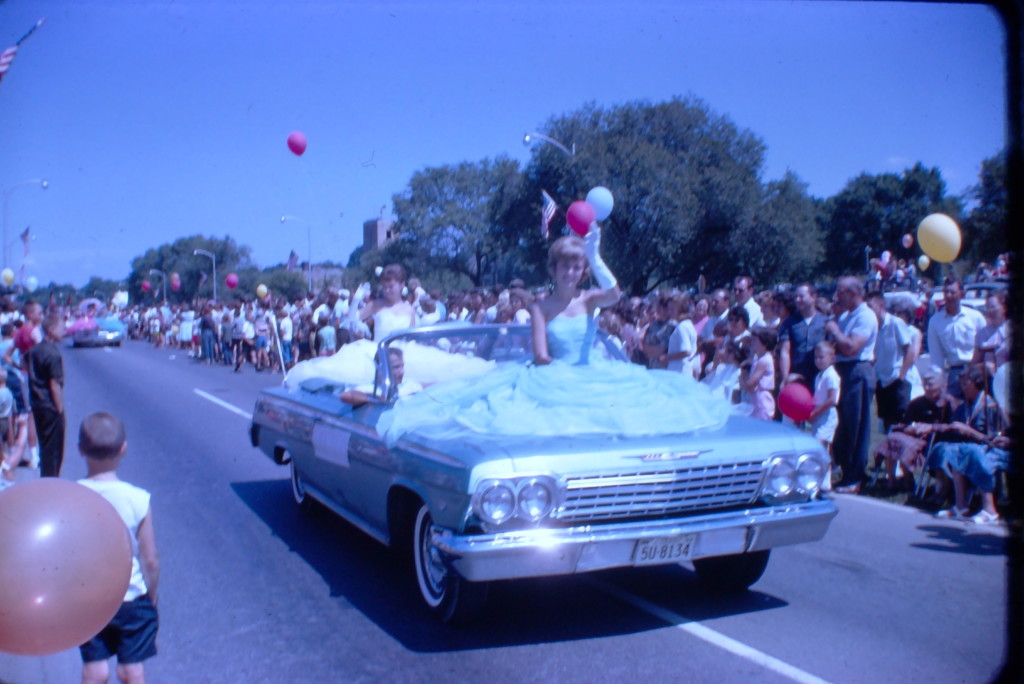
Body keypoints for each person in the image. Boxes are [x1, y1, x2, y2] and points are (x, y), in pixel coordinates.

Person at [377, 227, 730, 445]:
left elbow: (615, 294)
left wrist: (596, 257)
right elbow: (541, 355)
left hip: (596, 374)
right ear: (554, 268)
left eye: (577, 266)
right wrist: (565, 379)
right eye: (565, 266)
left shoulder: (589, 299)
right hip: (551, 377)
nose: (571, 272)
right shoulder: (540, 308)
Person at [77, 412, 160, 684]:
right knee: (131, 670)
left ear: (80, 450)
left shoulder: (72, 495)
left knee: (95, 670)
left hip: (89, 600)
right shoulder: (138, 499)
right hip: (131, 597)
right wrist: (152, 597)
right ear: (123, 448)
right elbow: (150, 559)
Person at [930, 365, 1007, 523]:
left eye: (966, 384)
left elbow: (994, 440)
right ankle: (960, 506)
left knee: (971, 453)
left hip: (989, 450)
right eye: (961, 384)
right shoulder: (964, 406)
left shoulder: (989, 406)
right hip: (969, 448)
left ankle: (989, 510)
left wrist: (969, 431)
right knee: (950, 451)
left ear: (977, 383)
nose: (963, 388)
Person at [824, 276, 878, 493]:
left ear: (854, 293)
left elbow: (851, 347)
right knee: (843, 425)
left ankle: (856, 476)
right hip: (842, 370)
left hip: (857, 370)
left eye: (841, 292)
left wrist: (835, 330)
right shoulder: (846, 316)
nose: (837, 297)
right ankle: (846, 472)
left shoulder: (865, 316)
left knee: (857, 424)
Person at [874, 368, 955, 492]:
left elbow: (953, 427)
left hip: (935, 440)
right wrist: (908, 429)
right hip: (916, 436)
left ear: (942, 386)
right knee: (893, 438)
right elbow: (904, 422)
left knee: (906, 445)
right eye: (924, 384)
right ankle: (892, 481)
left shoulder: (949, 403)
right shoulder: (918, 403)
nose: (927, 388)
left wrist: (932, 428)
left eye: (930, 385)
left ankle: (908, 481)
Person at [927, 277, 986, 399]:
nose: (949, 296)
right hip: (954, 374)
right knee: (954, 408)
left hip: (975, 370)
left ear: (961, 294)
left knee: (979, 407)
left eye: (953, 292)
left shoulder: (975, 317)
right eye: (946, 292)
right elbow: (936, 358)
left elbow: (985, 346)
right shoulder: (935, 322)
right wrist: (940, 382)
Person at [866, 291, 914, 433]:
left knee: (901, 423)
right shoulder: (871, 327)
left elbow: (909, 351)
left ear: (881, 306)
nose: (868, 311)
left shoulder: (895, 323)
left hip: (897, 381)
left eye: (870, 307)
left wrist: (901, 375)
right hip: (881, 382)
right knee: (887, 424)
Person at [27, 313, 65, 477]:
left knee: (44, 446)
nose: (64, 331)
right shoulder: (53, 353)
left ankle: (46, 478)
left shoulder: (35, 350)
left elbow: (23, 362)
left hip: (37, 403)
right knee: (54, 451)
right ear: (51, 330)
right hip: (50, 405)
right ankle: (51, 482)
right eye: (61, 328)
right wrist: (59, 408)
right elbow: (54, 384)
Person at [778, 283, 827, 391]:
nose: (797, 300)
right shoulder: (789, 323)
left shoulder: (825, 321)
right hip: (797, 375)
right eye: (796, 297)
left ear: (813, 297)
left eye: (801, 296)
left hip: (820, 375)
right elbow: (785, 351)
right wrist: (785, 378)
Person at [340, 348, 422, 407]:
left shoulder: (409, 385)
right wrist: (378, 399)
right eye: (396, 367)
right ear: (380, 370)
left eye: (402, 366)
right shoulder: (368, 389)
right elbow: (345, 396)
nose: (402, 372)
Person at [807, 341, 840, 451]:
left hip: (827, 415)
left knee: (817, 444)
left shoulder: (831, 375)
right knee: (822, 448)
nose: (818, 360)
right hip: (818, 414)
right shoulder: (819, 376)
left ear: (832, 358)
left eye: (821, 357)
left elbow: (832, 399)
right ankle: (827, 462)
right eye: (816, 357)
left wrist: (816, 413)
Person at [742, 326, 777, 420]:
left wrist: (744, 376)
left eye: (755, 340)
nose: (752, 342)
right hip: (754, 397)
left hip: (761, 399)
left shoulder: (764, 361)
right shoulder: (758, 358)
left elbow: (750, 383)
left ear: (765, 343)